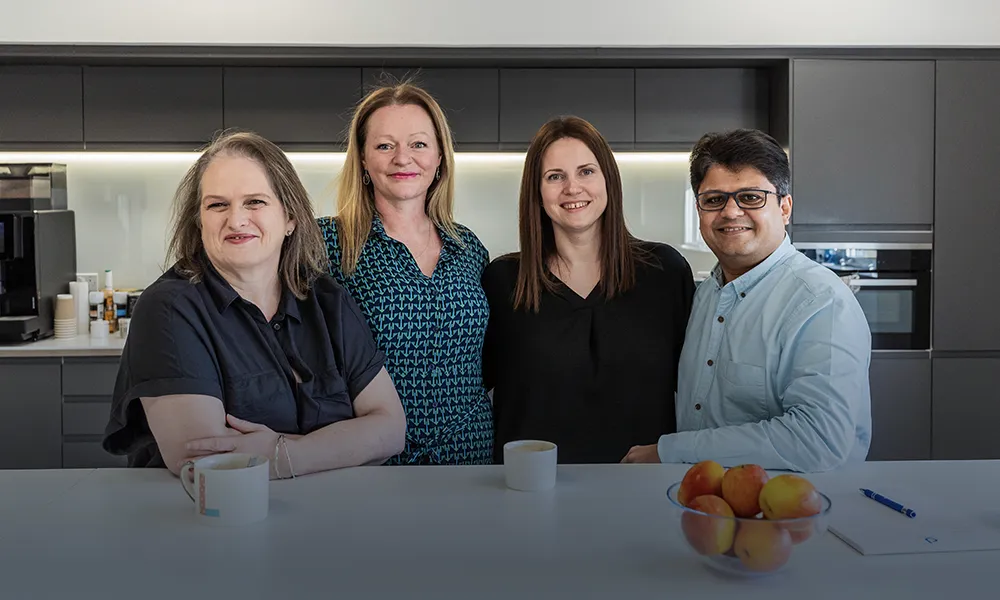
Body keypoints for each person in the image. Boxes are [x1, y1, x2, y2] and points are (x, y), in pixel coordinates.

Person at [102, 130, 407, 478]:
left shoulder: (326, 299)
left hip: (328, 519)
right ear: (199, 221)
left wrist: (283, 454)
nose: (236, 220)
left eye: (255, 202)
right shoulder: (168, 310)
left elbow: (390, 429)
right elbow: (205, 460)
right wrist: (346, 444)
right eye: (217, 205)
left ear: (290, 218)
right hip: (210, 523)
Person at [622, 128, 872, 473]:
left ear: (784, 207)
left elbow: (820, 439)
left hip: (788, 514)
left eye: (751, 197)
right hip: (698, 502)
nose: (730, 212)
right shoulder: (706, 294)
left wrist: (670, 451)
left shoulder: (821, 301)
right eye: (714, 200)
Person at [481, 116, 696, 464]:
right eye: (555, 177)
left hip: (641, 492)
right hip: (529, 493)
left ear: (608, 179)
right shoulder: (503, 281)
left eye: (586, 171)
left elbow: (698, 391)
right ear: (536, 191)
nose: (572, 188)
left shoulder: (665, 272)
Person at [317, 82, 493, 465]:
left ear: (440, 157)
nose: (403, 158)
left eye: (418, 144)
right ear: (362, 159)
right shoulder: (329, 243)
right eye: (384, 145)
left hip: (472, 457)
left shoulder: (468, 247)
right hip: (375, 460)